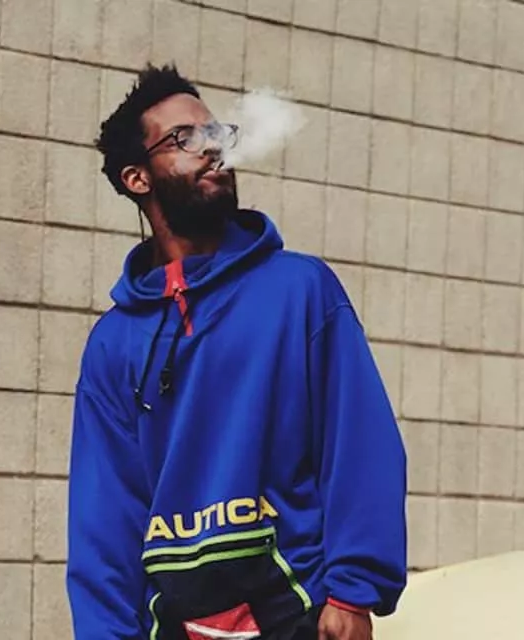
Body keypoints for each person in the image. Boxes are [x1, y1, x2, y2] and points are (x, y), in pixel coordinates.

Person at [66, 63, 409, 640]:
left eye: (214, 132)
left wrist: (354, 590)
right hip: (175, 623)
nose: (211, 148)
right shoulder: (114, 342)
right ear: (137, 178)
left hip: (299, 611)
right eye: (183, 139)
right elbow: (104, 513)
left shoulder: (299, 290)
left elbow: (358, 443)